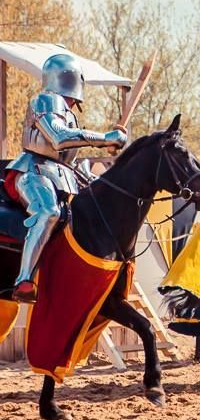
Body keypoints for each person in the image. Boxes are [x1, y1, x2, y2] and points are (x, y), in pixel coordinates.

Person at [3, 53, 128, 302]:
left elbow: (67, 161)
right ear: (72, 80)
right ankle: (24, 280)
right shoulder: (46, 100)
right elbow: (58, 138)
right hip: (33, 171)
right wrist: (105, 138)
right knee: (48, 211)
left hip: (60, 175)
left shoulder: (69, 114)